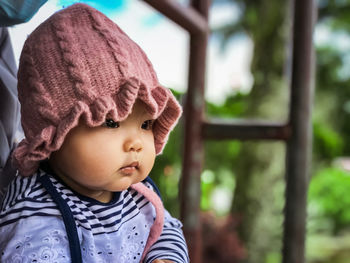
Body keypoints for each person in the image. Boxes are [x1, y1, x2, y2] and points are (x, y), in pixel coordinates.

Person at [0, 3, 188, 263]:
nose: (136, 143)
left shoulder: (138, 194)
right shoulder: (36, 214)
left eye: (146, 125)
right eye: (111, 123)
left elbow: (166, 229)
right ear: (53, 136)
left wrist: (164, 258)